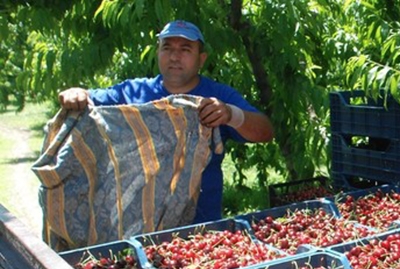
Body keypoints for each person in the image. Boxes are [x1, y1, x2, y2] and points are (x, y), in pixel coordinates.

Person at [57, 20, 274, 224]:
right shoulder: (134, 93)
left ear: (201, 59)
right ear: (158, 53)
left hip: (200, 227)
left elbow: (265, 131)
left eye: (185, 49)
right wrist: (77, 94)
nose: (174, 56)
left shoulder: (216, 95)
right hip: (140, 228)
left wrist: (231, 114)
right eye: (167, 48)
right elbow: (91, 99)